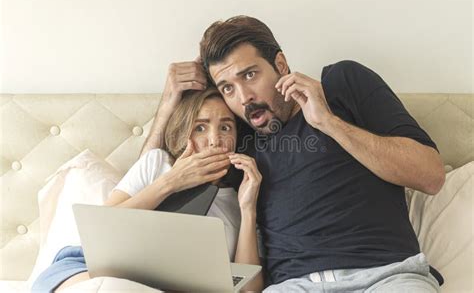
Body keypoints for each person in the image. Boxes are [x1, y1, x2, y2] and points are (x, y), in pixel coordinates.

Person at [142, 15, 446, 292]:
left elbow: (431, 176)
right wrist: (169, 102)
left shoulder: (341, 84)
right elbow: (148, 174)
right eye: (227, 88)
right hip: (294, 286)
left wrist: (328, 123)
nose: (244, 97)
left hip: (386, 277)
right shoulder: (236, 136)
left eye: (249, 75)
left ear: (281, 65)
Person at [32, 87, 264, 292]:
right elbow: (103, 229)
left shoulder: (238, 198)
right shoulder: (158, 163)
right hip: (94, 269)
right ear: (184, 131)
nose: (215, 140)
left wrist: (248, 209)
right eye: (200, 128)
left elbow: (250, 290)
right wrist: (172, 181)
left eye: (225, 127)